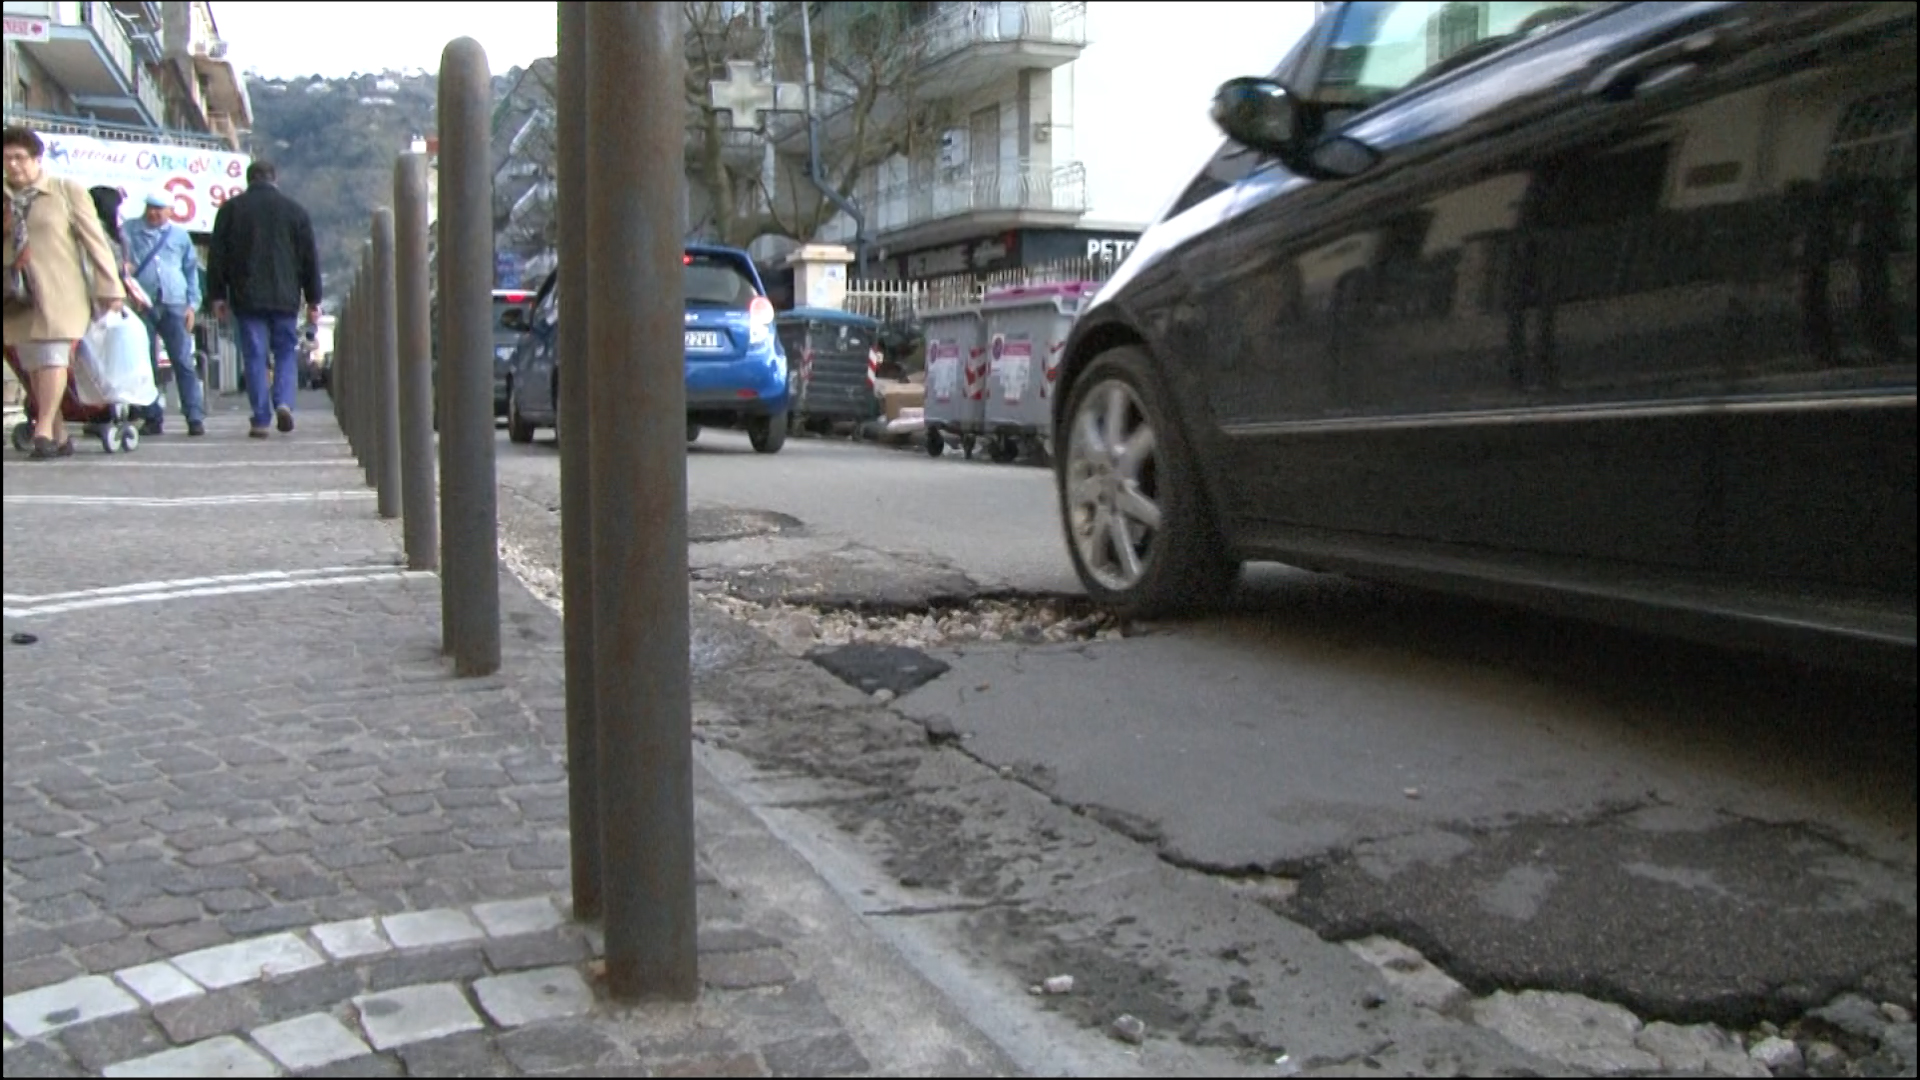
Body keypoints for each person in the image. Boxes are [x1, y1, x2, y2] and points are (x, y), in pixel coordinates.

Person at [3, 126, 126, 460]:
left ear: (36, 159)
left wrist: (110, 286)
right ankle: (57, 433)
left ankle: (42, 429)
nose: (13, 166)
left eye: (19, 158)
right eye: (7, 159)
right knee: (32, 363)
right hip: (17, 293)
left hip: (60, 290)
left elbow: (95, 241)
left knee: (54, 356)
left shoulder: (64, 191)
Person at [207, 159, 321, 438]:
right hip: (285, 296)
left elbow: (217, 257)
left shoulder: (231, 210)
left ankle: (260, 418)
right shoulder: (296, 212)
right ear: (275, 179)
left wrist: (217, 295)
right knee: (285, 350)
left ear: (249, 180)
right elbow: (310, 260)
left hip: (247, 296)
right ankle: (283, 401)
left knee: (255, 355)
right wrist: (313, 300)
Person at [122, 191, 207, 436]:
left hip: (174, 303)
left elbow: (191, 271)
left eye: (160, 208)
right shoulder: (129, 231)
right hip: (141, 303)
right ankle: (151, 416)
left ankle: (194, 415)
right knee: (144, 363)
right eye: (150, 207)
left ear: (171, 210)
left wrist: (193, 304)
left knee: (183, 361)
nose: (154, 212)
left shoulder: (180, 236)